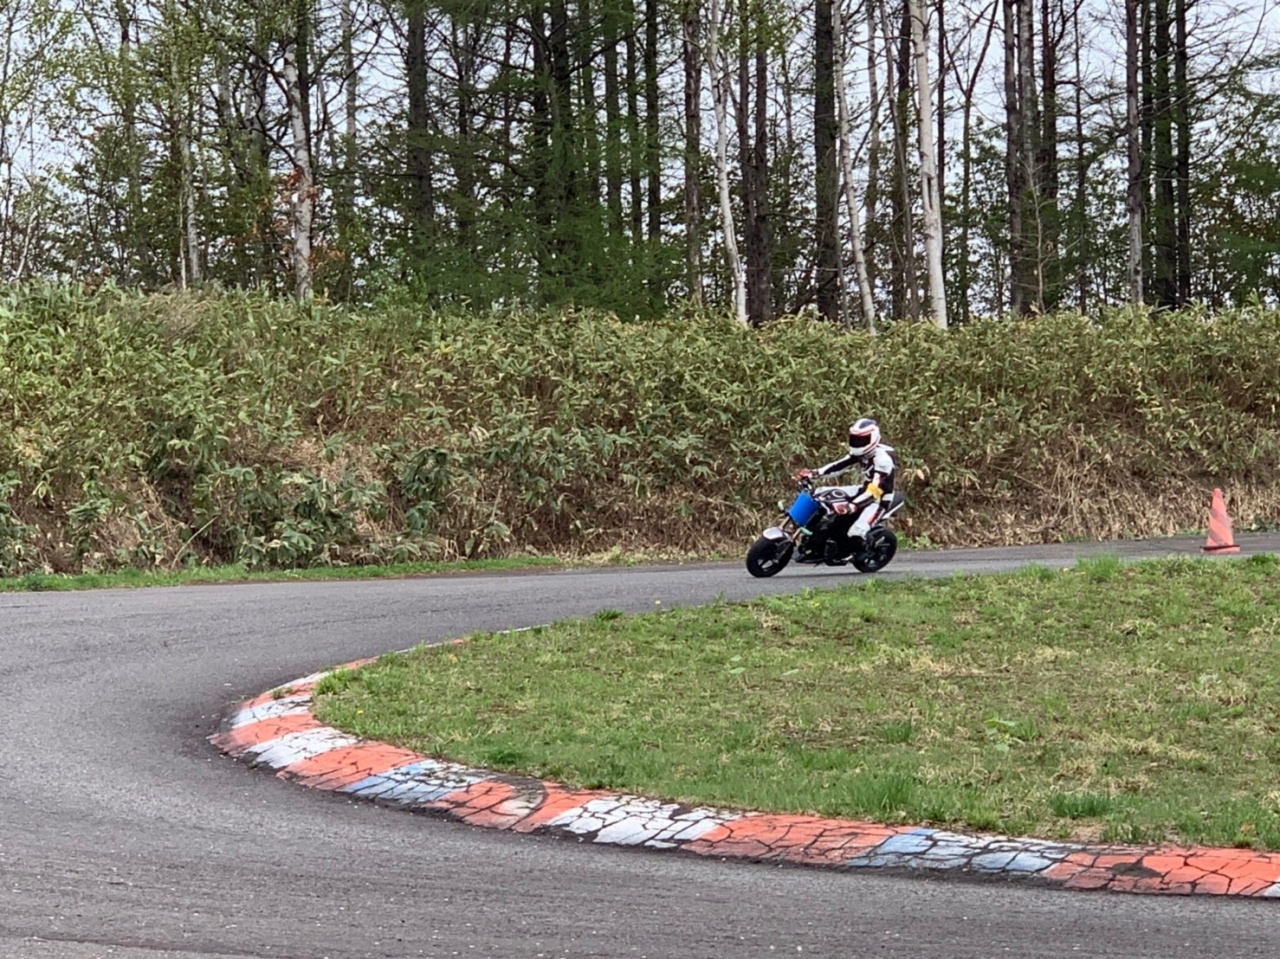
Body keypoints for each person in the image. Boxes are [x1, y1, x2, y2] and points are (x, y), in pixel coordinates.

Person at [794, 417, 896, 550]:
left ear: (873, 438)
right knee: (820, 493)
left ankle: (857, 551)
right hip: (863, 490)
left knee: (856, 533)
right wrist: (814, 473)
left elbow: (874, 490)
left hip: (879, 499)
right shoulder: (861, 453)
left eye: (861, 440)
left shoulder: (883, 461)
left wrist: (851, 506)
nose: (857, 443)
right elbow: (839, 466)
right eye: (855, 439)